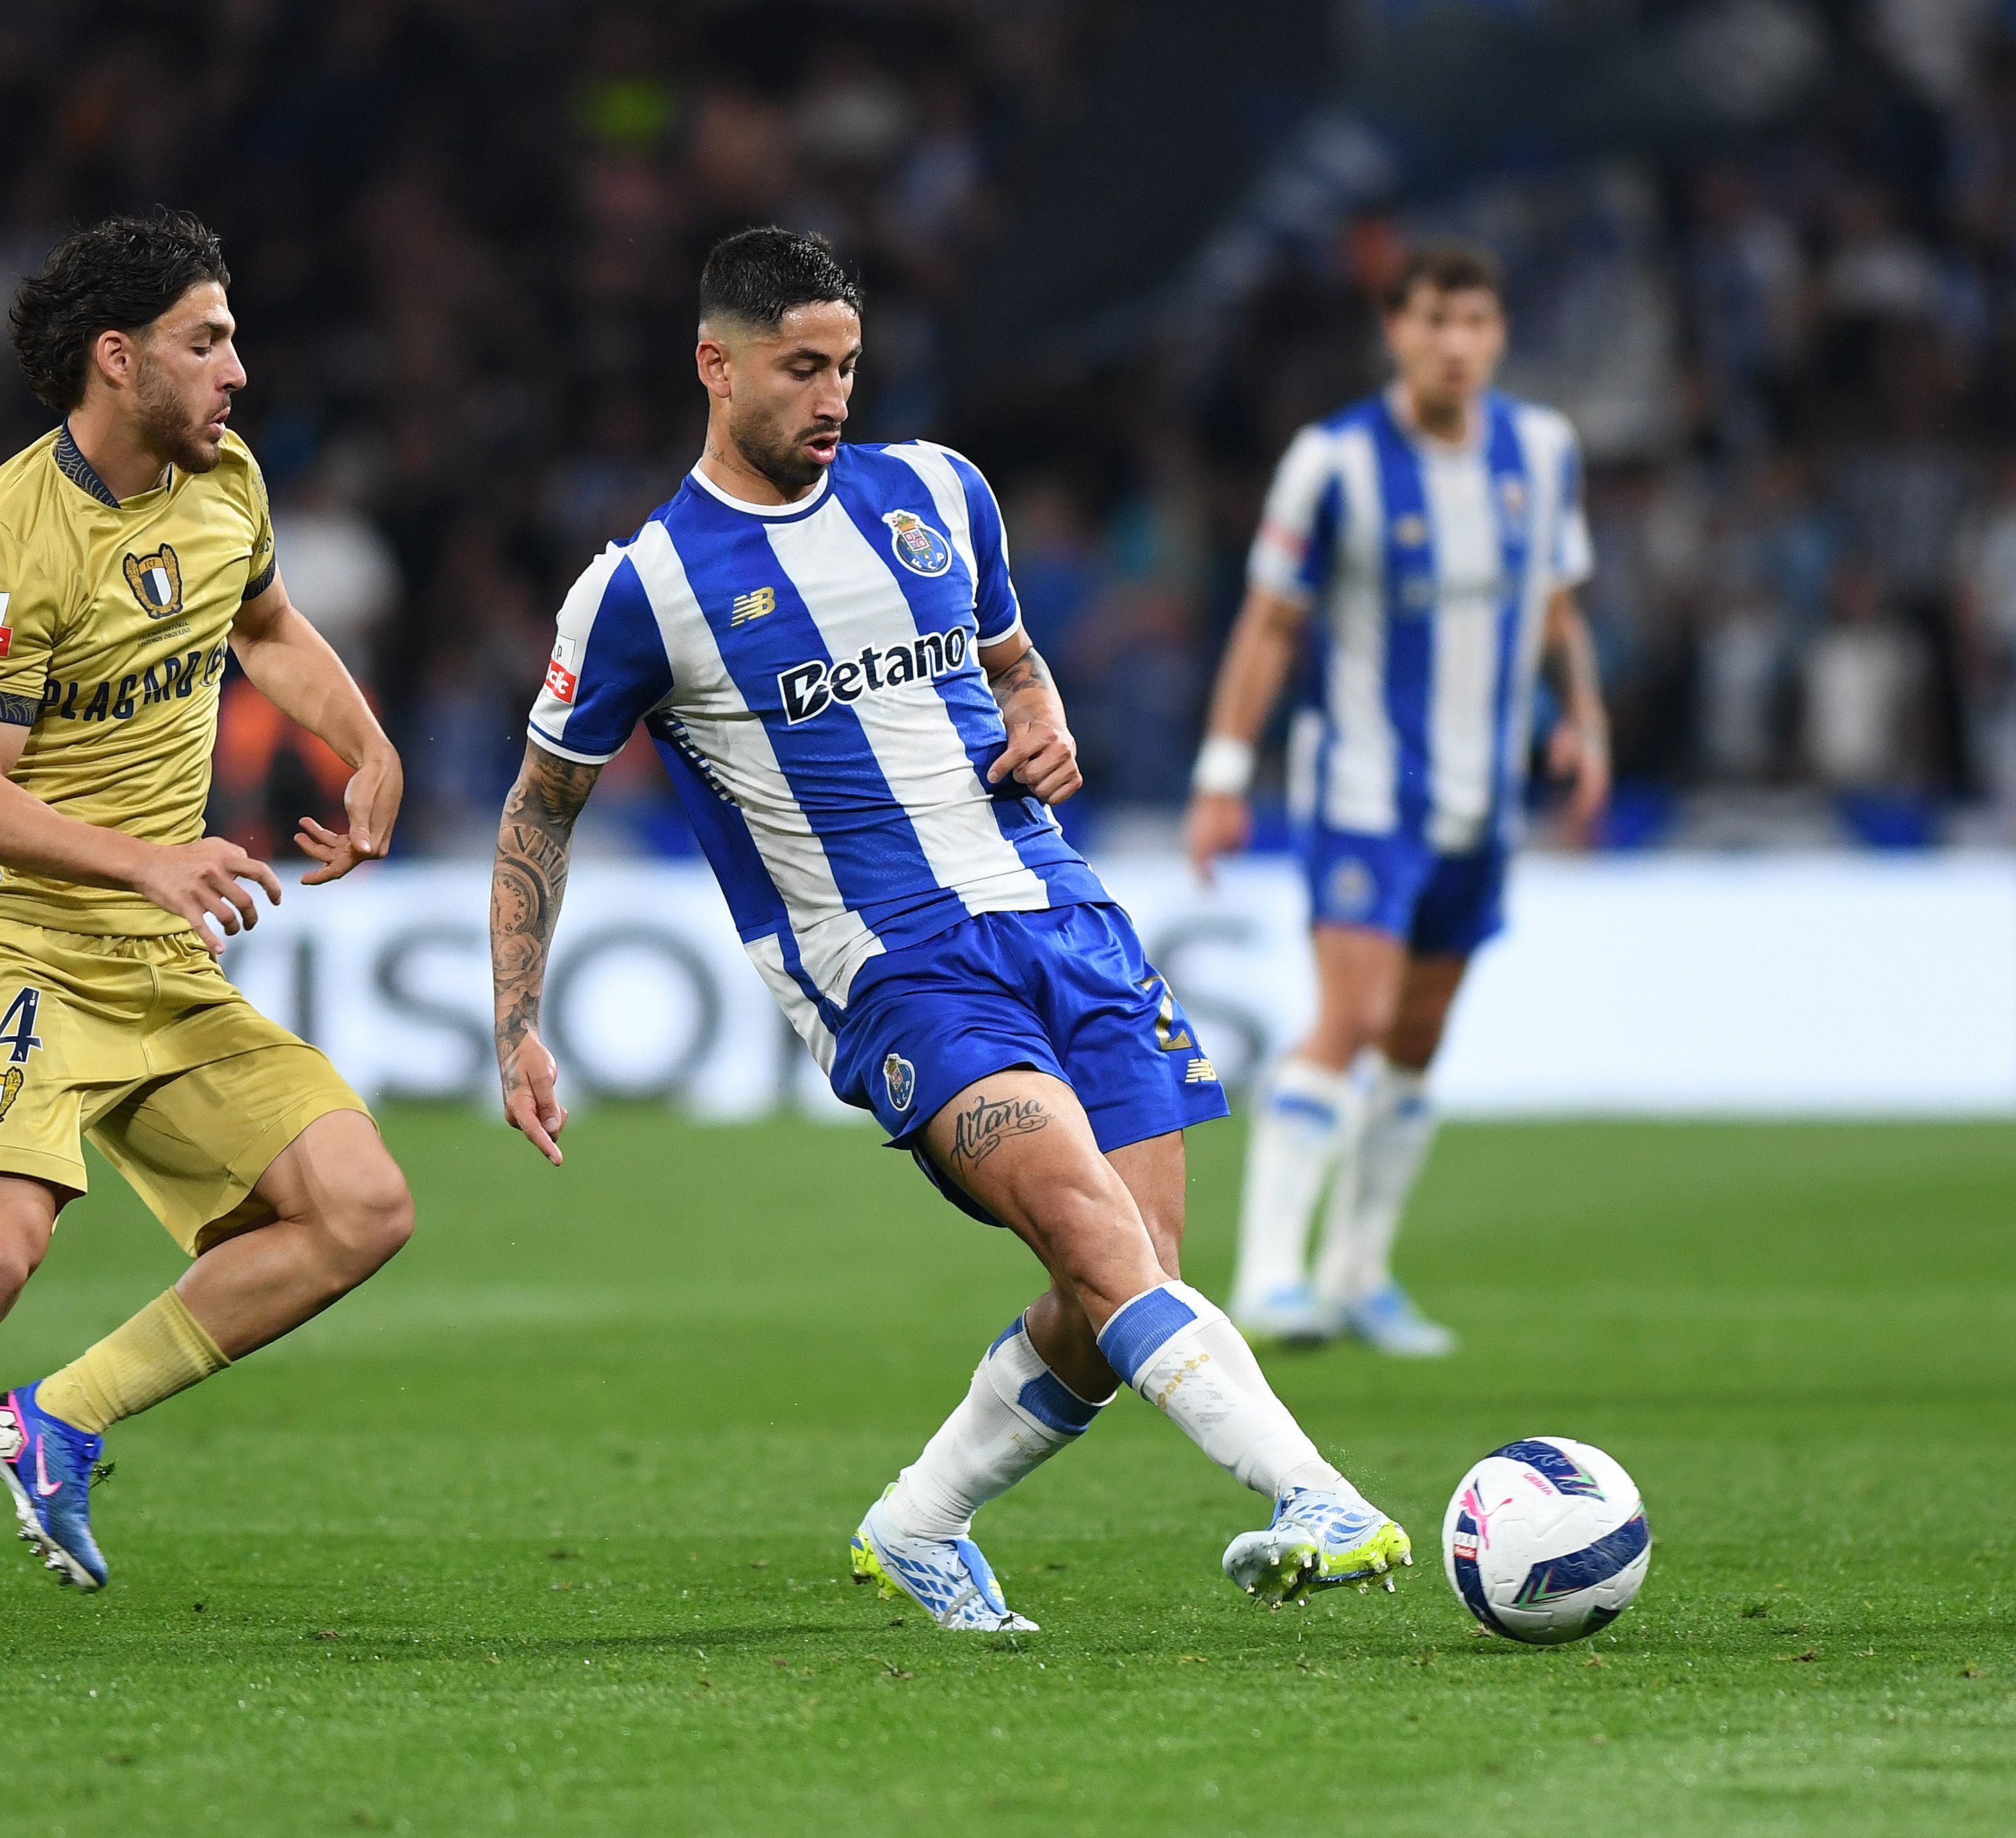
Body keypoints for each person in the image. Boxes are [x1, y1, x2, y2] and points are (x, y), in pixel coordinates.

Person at [488, 227, 1411, 1634]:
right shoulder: (642, 588)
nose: (831, 395)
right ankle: (1315, 1495)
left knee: (1128, 1289)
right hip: (898, 976)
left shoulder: (935, 491)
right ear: (712, 364)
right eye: (800, 367)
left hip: (1061, 914)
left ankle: (918, 1519)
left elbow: (1010, 654)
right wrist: (514, 1021)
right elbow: (537, 812)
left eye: (846, 365)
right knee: (1103, 1248)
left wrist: (1041, 715)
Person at [0, 210, 412, 1652]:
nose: (237, 368)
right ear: (120, 358)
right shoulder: (7, 531)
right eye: (204, 340)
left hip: (159, 954)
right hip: (27, 948)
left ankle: (59, 1419)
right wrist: (148, 860)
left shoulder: (221, 478)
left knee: (360, 1207)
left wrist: (369, 748)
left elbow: (270, 624)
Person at [1185, 241, 1606, 1356]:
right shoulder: (1334, 464)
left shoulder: (1544, 450)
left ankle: (1360, 1274)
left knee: (1417, 1038)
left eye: (1475, 322)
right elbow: (1270, 622)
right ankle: (1271, 1276)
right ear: (1397, 332)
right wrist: (1223, 777)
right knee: (1356, 1016)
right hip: (1365, 788)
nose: (1455, 344)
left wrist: (1584, 725)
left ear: (1499, 332)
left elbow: (1555, 607)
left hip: (1485, 795)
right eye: (1433, 322)